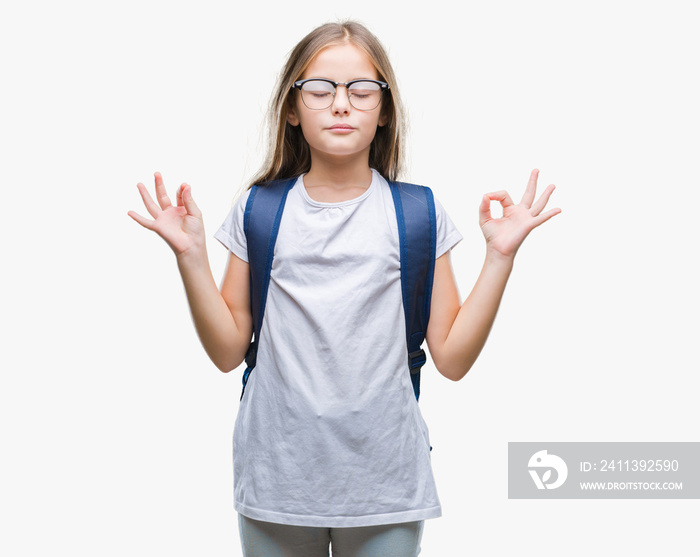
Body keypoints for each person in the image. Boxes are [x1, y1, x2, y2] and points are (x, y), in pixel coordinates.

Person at [128, 20, 560, 557]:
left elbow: (451, 357)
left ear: (384, 111)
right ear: (292, 108)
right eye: (320, 89)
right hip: (277, 480)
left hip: (387, 483)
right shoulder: (260, 210)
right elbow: (227, 352)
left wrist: (500, 257)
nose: (340, 104)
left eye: (361, 90)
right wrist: (191, 255)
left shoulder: (417, 213)